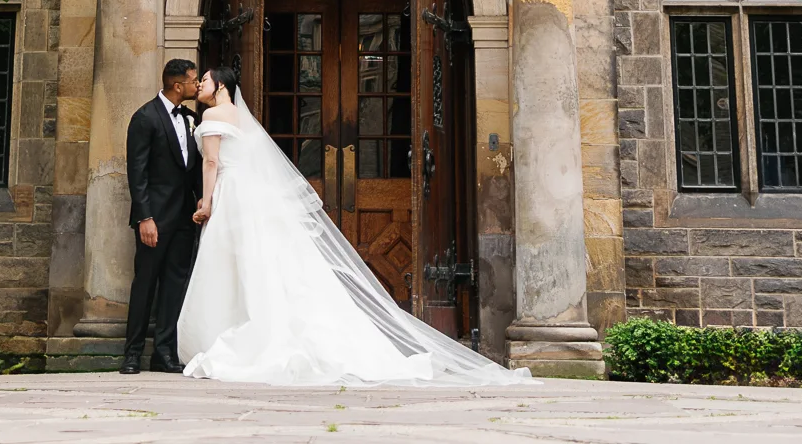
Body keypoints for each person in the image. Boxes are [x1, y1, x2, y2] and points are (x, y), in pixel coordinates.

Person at [174, 63, 533, 387]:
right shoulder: (239, 116)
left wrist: (205, 202)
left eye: (204, 80)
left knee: (236, 266)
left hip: (232, 195)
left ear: (220, 85)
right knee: (265, 267)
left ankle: (239, 332)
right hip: (250, 196)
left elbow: (211, 162)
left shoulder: (212, 117)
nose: (199, 84)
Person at [120, 57, 204, 374]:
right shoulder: (145, 118)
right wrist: (144, 218)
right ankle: (132, 354)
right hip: (154, 219)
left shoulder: (191, 118)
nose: (197, 85)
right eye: (194, 80)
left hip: (184, 219)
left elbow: (192, 170)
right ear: (177, 84)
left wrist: (202, 204)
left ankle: (164, 353)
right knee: (145, 285)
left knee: (174, 286)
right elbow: (137, 173)